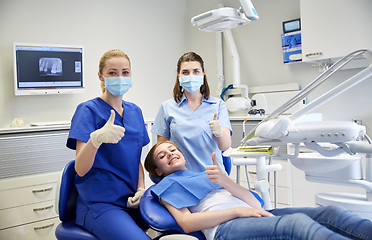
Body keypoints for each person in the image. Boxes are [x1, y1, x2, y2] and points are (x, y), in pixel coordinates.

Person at [144, 141, 372, 240]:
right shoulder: (166, 186)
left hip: (249, 213)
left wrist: (226, 182)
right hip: (225, 228)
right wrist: (236, 212)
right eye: (163, 156)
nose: (171, 153)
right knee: (297, 224)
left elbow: (255, 204)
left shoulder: (205, 174)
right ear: (158, 170)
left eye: (172, 149)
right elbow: (187, 223)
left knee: (332, 213)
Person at [66, 49, 151, 240]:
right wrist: (96, 140)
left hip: (131, 201)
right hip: (100, 204)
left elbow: (135, 158)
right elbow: (80, 168)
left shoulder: (135, 112)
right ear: (101, 76)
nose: (119, 77)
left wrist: (141, 188)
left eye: (125, 72)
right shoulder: (87, 110)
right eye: (112, 73)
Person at [152, 52, 232, 173]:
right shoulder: (167, 107)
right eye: (185, 72)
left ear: (203, 74)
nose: (191, 76)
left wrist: (220, 133)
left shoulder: (218, 105)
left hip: (213, 176)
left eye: (196, 71)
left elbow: (225, 147)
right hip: (181, 177)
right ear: (179, 75)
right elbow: (162, 150)